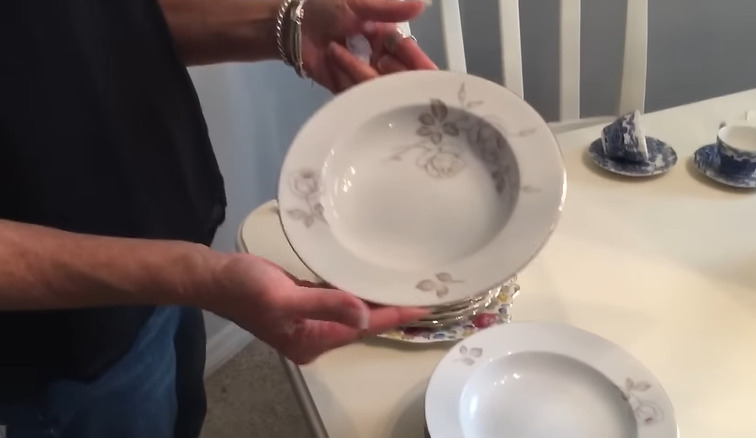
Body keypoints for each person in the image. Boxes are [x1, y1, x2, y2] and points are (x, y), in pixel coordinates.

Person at [0, 0, 435, 436]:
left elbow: (87, 26)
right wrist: (196, 278)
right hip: (64, 344)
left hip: (165, 236)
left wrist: (291, 26)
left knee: (183, 418)